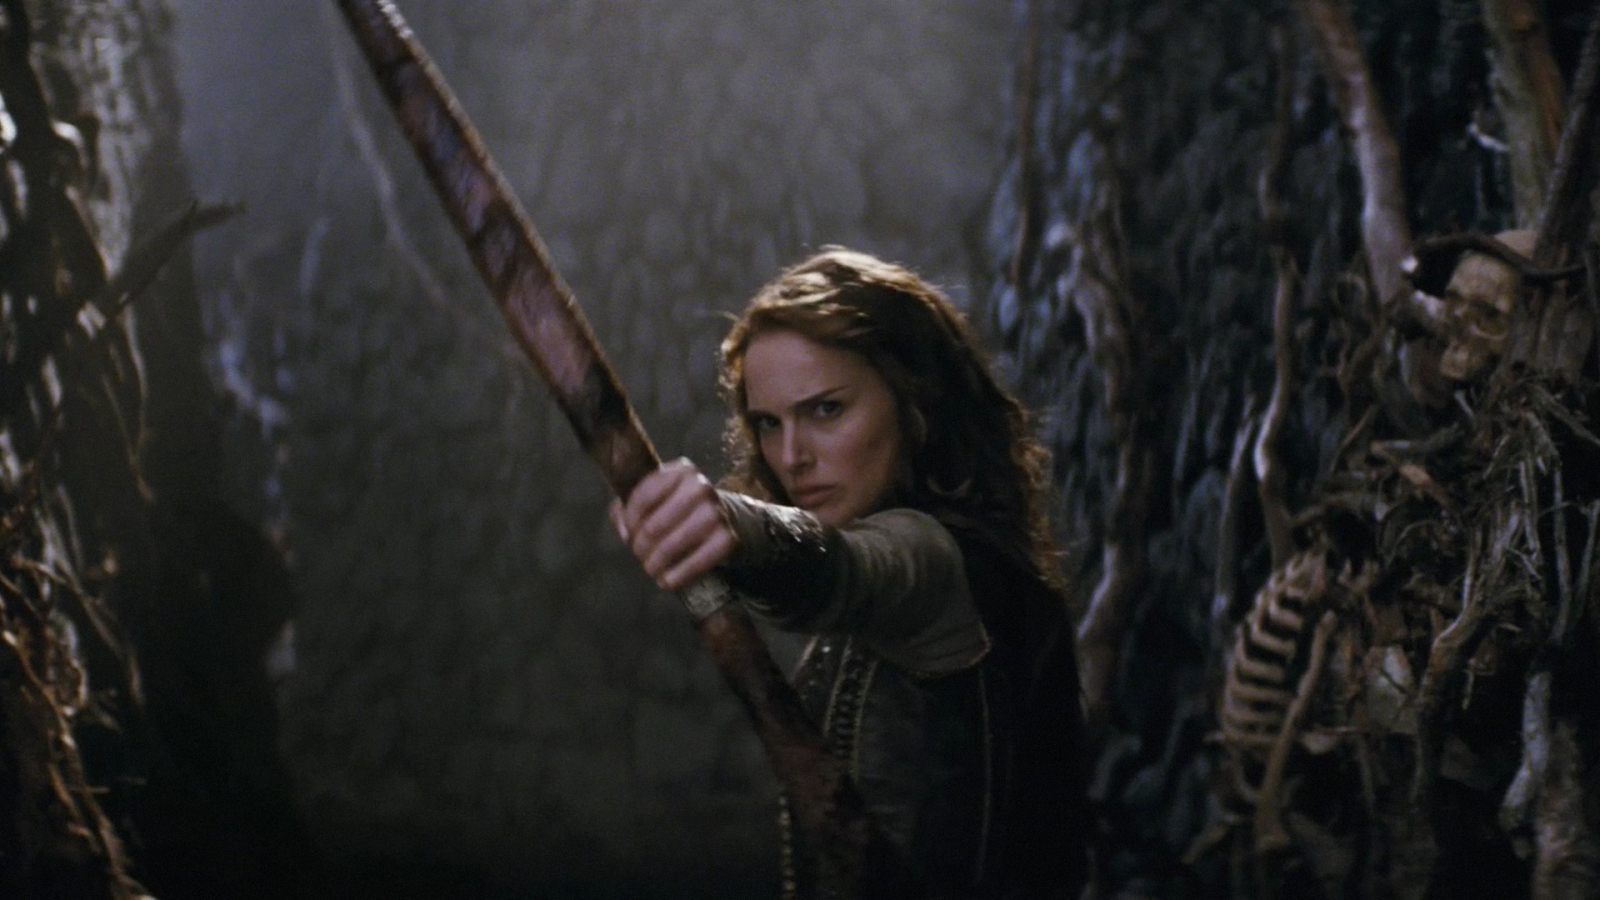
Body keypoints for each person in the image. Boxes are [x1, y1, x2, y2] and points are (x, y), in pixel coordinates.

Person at [611, 248, 1089, 898]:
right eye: (768, 423)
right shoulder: (962, 573)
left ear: (915, 403)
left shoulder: (949, 568)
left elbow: (844, 568)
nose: (791, 456)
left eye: (826, 410)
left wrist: (732, 524)